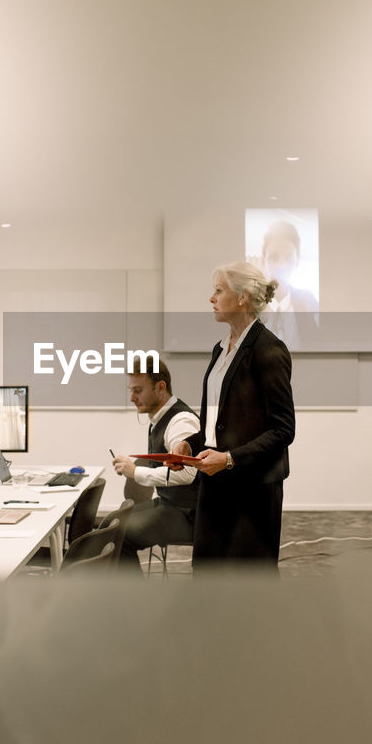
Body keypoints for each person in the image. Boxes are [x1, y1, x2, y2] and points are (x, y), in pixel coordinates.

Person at [172, 262, 296, 571]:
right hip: (215, 481)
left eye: (218, 290)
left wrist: (229, 459)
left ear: (242, 298)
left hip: (253, 487)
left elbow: (283, 429)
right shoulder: (220, 348)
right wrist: (190, 445)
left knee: (247, 587)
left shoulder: (269, 350)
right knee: (208, 574)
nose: (210, 298)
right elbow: (217, 421)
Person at [110, 360, 199, 572]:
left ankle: (135, 603)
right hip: (171, 505)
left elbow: (187, 474)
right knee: (111, 523)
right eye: (131, 391)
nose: (132, 398)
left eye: (138, 391)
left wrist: (135, 471)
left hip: (189, 514)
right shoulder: (159, 419)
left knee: (119, 535)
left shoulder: (181, 421)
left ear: (160, 387)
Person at [257, 219, 319, 349]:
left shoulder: (308, 302)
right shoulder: (251, 305)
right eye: (274, 257)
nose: (281, 266)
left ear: (297, 262)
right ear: (263, 262)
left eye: (288, 258)